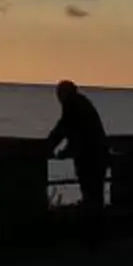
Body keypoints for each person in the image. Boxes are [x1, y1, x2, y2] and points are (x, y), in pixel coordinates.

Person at [47, 78, 110, 223]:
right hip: (96, 154)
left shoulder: (73, 105)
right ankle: (95, 222)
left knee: (91, 190)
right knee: (94, 192)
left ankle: (93, 225)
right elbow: (70, 129)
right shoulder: (80, 103)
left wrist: (51, 146)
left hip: (91, 156)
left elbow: (68, 129)